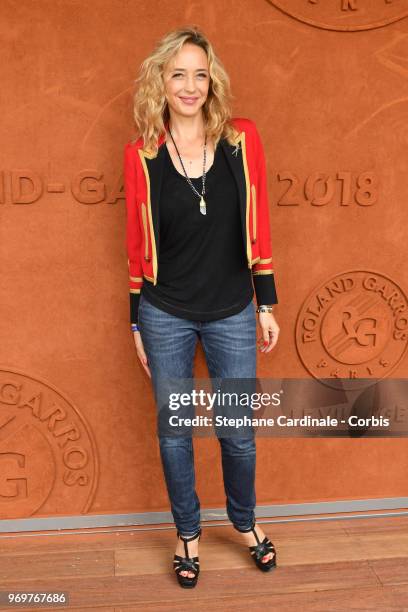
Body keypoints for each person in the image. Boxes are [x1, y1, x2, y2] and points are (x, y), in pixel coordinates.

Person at [124, 25, 280, 589]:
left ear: (210, 80)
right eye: (177, 74)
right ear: (160, 83)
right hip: (165, 312)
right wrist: (136, 318)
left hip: (233, 308)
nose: (189, 85)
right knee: (176, 432)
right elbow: (136, 243)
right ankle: (187, 535)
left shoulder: (243, 139)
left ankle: (244, 523)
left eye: (199, 73)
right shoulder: (142, 155)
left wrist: (266, 302)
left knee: (238, 430)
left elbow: (259, 223)